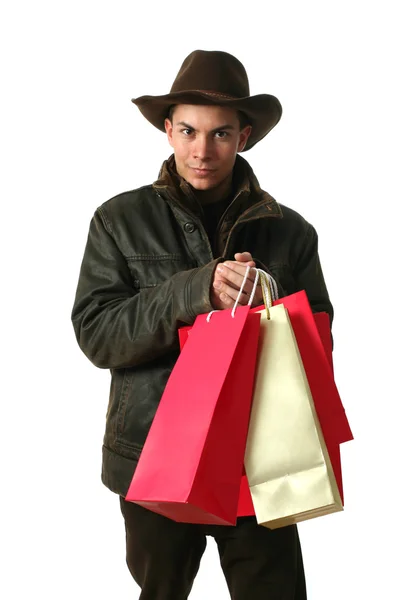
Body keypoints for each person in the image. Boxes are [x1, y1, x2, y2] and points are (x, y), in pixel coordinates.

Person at [72, 49, 333, 599]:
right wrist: (197, 289)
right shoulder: (118, 221)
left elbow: (319, 341)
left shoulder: (292, 233)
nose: (202, 149)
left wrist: (268, 305)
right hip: (154, 459)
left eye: (220, 134)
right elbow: (98, 335)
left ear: (245, 137)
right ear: (167, 131)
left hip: (261, 464)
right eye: (188, 130)